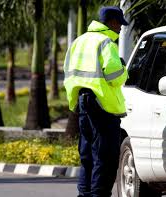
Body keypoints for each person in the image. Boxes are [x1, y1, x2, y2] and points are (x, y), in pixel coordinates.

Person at [63, 6, 128, 197]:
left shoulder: (79, 41)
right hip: (103, 107)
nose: (121, 29)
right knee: (105, 157)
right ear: (111, 22)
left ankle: (84, 194)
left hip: (83, 105)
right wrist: (124, 69)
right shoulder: (106, 43)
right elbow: (115, 76)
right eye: (119, 24)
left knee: (87, 156)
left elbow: (68, 73)